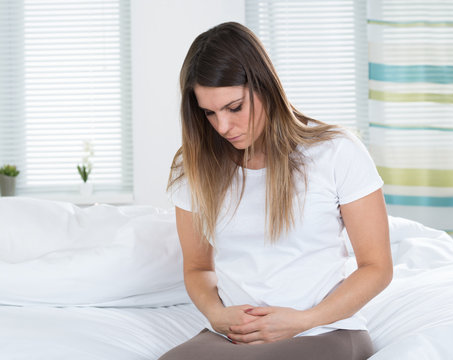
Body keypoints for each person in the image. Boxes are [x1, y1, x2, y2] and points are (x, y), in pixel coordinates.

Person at [161, 22, 392, 360]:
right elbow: (198, 268)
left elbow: (377, 267)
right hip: (233, 339)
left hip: (324, 330)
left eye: (234, 107)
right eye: (209, 113)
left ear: (264, 87)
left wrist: (302, 321)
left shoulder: (336, 151)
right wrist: (217, 314)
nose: (223, 127)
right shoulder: (195, 166)